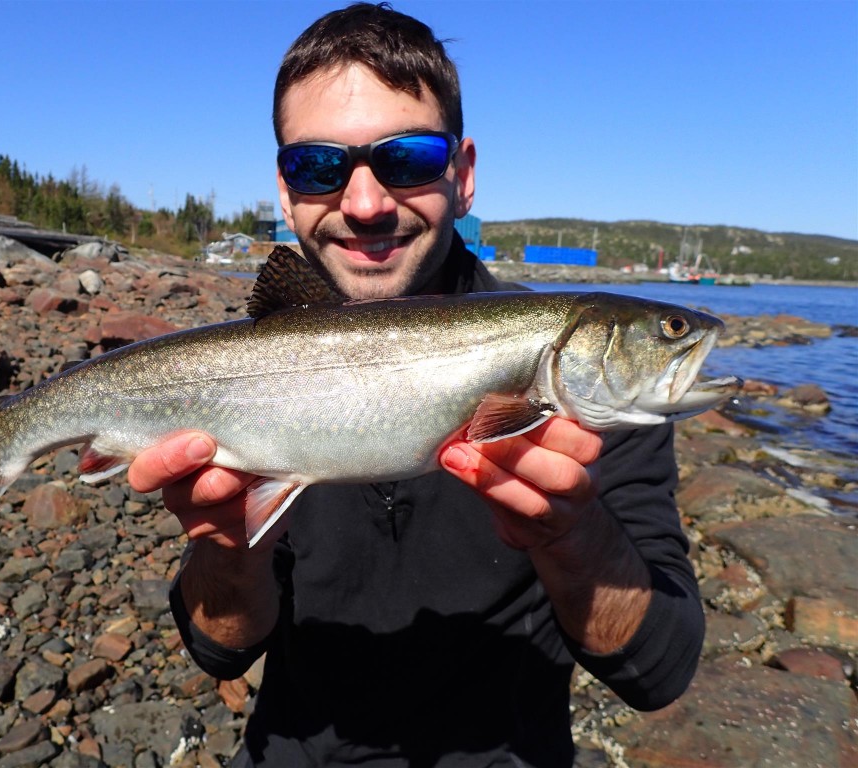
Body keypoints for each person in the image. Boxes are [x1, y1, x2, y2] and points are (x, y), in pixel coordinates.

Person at [128, 4, 704, 766]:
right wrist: (230, 548)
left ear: (462, 175)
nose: (364, 204)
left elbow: (658, 670)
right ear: (283, 189)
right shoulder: (246, 367)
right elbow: (219, 652)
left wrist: (574, 537)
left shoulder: (597, 399)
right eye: (318, 166)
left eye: (406, 159)